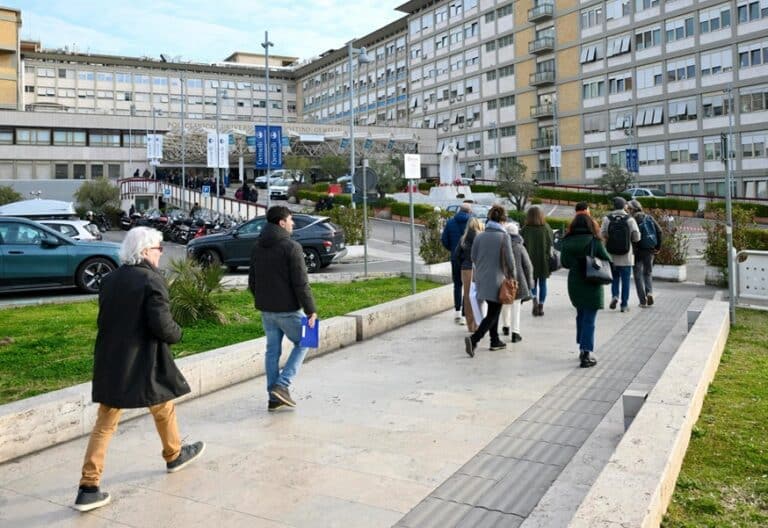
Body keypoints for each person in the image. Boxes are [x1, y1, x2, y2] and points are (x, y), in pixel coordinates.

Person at [73, 227, 204, 512]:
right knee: (161, 404)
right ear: (145, 252)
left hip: (112, 359)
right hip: (143, 360)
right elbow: (162, 326)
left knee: (111, 420)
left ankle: (89, 486)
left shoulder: (110, 280)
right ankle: (174, 455)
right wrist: (178, 334)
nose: (161, 254)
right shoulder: (151, 280)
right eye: (159, 249)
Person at [248, 206, 317, 411]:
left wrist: (263, 300)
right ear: (281, 223)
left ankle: (273, 397)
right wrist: (311, 310)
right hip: (287, 310)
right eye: (290, 219)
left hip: (266, 311)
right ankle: (282, 385)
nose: (292, 223)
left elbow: (252, 281)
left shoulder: (257, 246)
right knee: (306, 340)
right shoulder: (291, 247)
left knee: (272, 352)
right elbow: (301, 283)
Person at [560, 211, 612, 368]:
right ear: (591, 225)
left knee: (581, 315)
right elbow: (607, 259)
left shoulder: (567, 241)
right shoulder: (594, 241)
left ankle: (582, 346)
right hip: (592, 281)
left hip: (575, 282)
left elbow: (565, 263)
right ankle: (586, 352)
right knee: (590, 318)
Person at [465, 204, 516, 357]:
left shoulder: (480, 236)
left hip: (481, 279)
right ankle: (474, 340)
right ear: (503, 220)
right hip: (497, 280)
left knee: (493, 310)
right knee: (493, 313)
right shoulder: (504, 236)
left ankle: (495, 340)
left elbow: (473, 257)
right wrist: (512, 276)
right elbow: (510, 261)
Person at [601, 197, 640, 313]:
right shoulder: (630, 219)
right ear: (624, 206)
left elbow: (602, 233)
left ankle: (615, 296)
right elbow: (637, 237)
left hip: (612, 255)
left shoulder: (607, 219)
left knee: (615, 278)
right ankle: (624, 304)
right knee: (626, 281)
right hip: (626, 256)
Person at [500, 222, 533, 343]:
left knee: (505, 303)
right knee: (516, 306)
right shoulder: (520, 247)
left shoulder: (501, 246)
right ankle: (515, 332)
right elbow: (528, 266)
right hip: (518, 280)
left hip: (503, 279)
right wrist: (530, 284)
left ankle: (505, 326)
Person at [521, 205, 554, 317]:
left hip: (529, 260)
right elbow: (551, 244)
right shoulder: (546, 228)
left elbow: (521, 245)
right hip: (544, 260)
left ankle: (534, 299)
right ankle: (541, 305)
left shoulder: (525, 229)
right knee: (543, 283)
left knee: (532, 283)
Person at [628, 199, 663, 308]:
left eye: (629, 208)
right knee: (647, 273)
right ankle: (649, 292)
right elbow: (660, 231)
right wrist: (658, 247)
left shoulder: (632, 219)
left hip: (637, 251)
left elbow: (631, 236)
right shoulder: (649, 217)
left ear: (632, 209)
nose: (628, 210)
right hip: (649, 250)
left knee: (637, 276)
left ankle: (642, 301)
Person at [441, 202, 472, 324]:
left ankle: (457, 312)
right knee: (468, 287)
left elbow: (444, 240)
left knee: (457, 285)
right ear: (469, 212)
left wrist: (453, 250)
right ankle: (465, 313)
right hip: (468, 260)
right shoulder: (471, 223)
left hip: (455, 258)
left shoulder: (450, 222)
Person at [455, 217, 484, 333]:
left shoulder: (463, 238)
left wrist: (463, 264)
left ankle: (469, 325)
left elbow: (456, 255)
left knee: (467, 296)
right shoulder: (482, 238)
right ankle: (477, 324)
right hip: (479, 269)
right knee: (478, 297)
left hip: (466, 269)